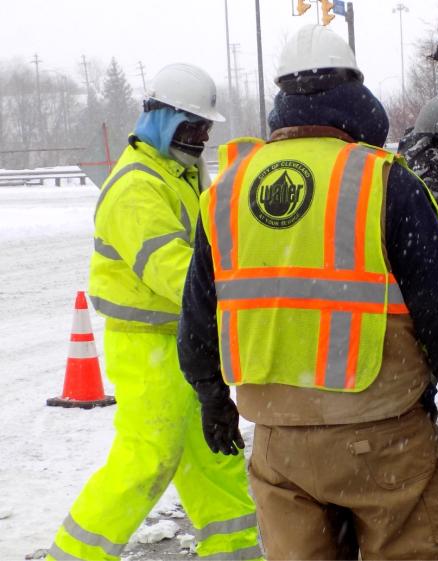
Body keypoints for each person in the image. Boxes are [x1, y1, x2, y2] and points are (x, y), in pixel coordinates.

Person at [177, 25, 438, 560]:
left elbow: (198, 316)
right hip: (381, 438)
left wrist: (212, 396)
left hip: (280, 448)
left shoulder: (227, 191)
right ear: (354, 97)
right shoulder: (384, 182)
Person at [47, 64, 262, 561]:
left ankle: (237, 553)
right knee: (147, 460)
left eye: (206, 128)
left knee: (215, 457)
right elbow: (177, 273)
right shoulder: (138, 187)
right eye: (193, 127)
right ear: (162, 119)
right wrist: (245, 297)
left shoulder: (180, 174)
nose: (202, 137)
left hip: (183, 340)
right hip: (148, 346)